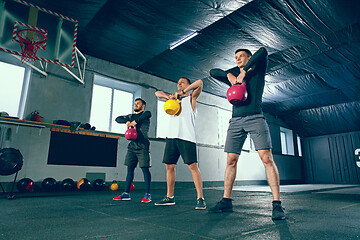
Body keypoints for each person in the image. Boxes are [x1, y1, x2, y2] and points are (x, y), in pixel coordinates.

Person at [208, 47, 286, 220]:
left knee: (266, 158)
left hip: (256, 117)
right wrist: (229, 76)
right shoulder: (234, 76)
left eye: (241, 56)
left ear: (249, 58)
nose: (238, 59)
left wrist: (244, 72)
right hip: (235, 121)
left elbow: (263, 51)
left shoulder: (258, 68)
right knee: (231, 160)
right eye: (235, 57)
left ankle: (277, 205)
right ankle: (226, 200)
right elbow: (213, 72)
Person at [154, 77, 206, 210]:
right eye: (178, 82)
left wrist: (184, 92)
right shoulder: (173, 100)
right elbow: (157, 93)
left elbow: (200, 83)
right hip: (172, 137)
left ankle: (200, 198)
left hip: (187, 137)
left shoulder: (191, 98)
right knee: (169, 167)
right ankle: (169, 197)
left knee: (193, 167)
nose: (179, 84)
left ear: (188, 85)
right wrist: (169, 97)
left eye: (182, 82)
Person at [113, 98, 152, 203]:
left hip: (143, 145)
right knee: (130, 169)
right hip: (132, 146)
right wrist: (127, 121)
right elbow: (117, 119)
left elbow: (148, 114)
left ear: (143, 106)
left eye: (138, 103)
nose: (136, 105)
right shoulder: (130, 116)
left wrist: (135, 122)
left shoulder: (145, 114)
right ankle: (126, 194)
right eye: (135, 103)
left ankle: (148, 194)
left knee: (145, 169)